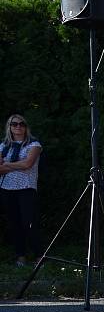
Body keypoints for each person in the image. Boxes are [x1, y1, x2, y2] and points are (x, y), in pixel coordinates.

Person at [0, 114, 43, 267]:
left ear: (26, 127)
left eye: (21, 124)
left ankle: (39, 255)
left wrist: (8, 164)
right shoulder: (3, 146)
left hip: (26, 188)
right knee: (14, 223)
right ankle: (21, 256)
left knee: (29, 223)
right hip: (7, 188)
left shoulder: (34, 144)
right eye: (14, 124)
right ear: (9, 127)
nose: (18, 126)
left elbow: (28, 164)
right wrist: (19, 164)